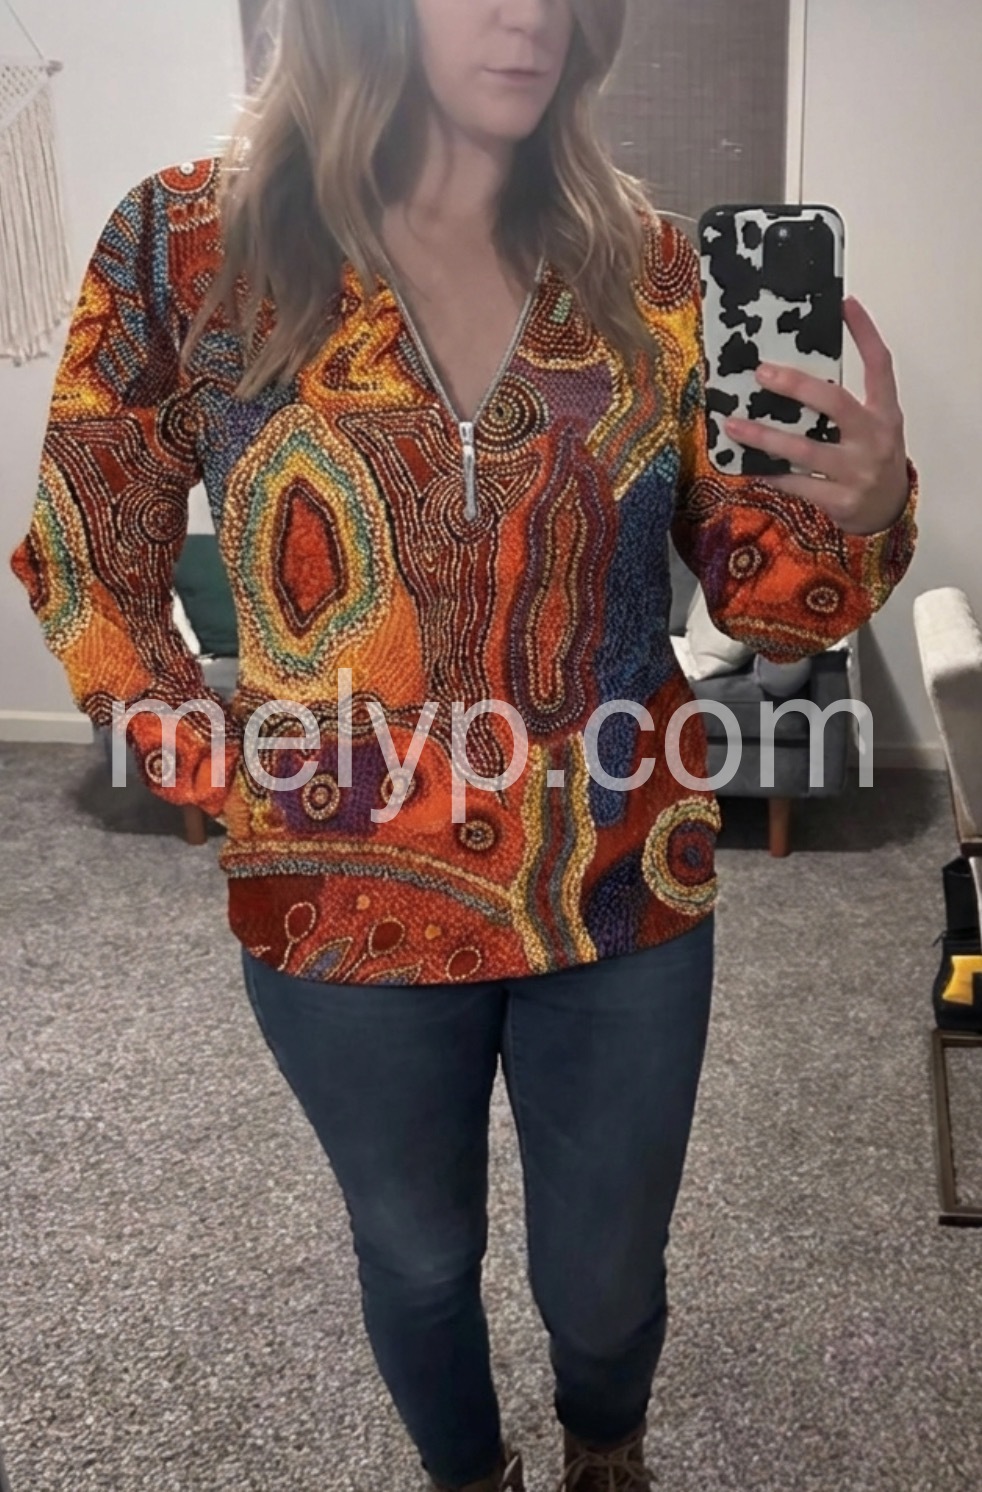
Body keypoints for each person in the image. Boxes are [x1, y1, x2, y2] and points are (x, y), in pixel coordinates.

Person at [9, 0, 919, 1487]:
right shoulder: (189, 245)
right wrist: (220, 770)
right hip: (339, 902)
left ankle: (606, 1449)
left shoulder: (648, 266)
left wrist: (861, 510)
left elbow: (762, 603)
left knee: (607, 1272)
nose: (530, 11)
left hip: (618, 881)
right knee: (417, 1254)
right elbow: (85, 553)